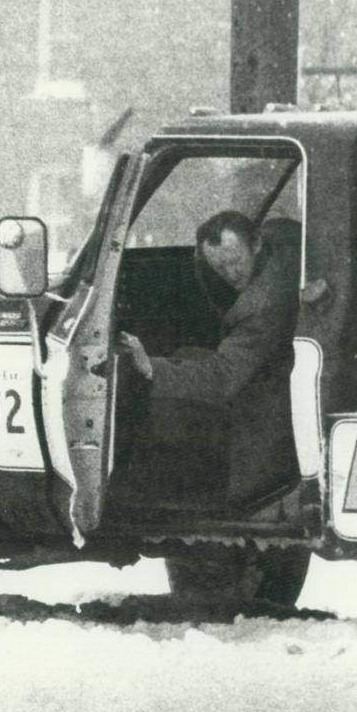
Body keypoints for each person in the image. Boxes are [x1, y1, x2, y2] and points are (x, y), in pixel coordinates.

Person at [116, 210, 307, 510]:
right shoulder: (284, 242)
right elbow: (281, 226)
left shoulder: (261, 305)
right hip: (280, 362)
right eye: (219, 266)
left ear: (256, 245)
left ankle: (235, 504)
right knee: (186, 356)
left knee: (172, 395)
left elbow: (221, 379)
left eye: (235, 262)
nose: (230, 275)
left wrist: (150, 367)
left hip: (276, 395)